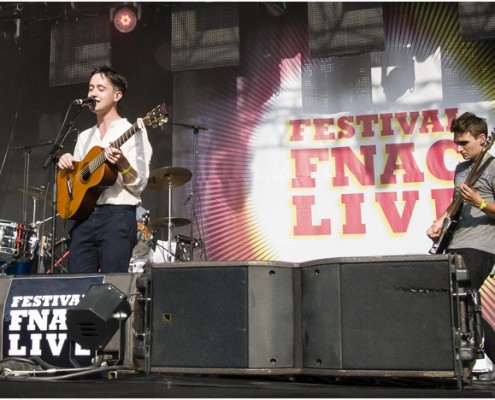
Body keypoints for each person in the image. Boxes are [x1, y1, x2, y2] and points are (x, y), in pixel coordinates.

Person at [57, 66, 152, 274]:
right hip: (85, 217)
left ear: (117, 95)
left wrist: (123, 164)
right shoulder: (84, 136)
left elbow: (139, 185)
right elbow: (80, 176)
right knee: (76, 284)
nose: (92, 93)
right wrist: (67, 165)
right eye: (91, 88)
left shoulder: (133, 130)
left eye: (100, 88)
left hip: (116, 216)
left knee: (113, 283)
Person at [427, 111, 495, 372]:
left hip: (481, 245)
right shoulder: (461, 169)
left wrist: (481, 202)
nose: (460, 149)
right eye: (457, 143)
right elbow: (455, 203)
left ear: (482, 139)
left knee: (463, 297)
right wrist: (439, 221)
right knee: (452, 300)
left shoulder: (492, 167)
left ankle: (473, 359)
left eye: (464, 143)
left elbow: (482, 205)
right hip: (455, 241)